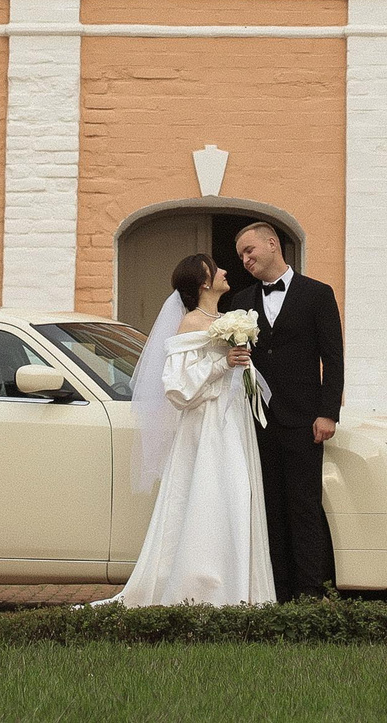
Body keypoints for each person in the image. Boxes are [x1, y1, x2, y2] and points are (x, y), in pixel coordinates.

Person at [113, 253, 275, 607]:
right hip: (205, 426)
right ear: (203, 282)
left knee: (237, 495)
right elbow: (177, 387)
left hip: (234, 422)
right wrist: (222, 363)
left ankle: (240, 588)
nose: (225, 271)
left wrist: (241, 365)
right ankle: (202, 589)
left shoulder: (226, 320)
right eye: (216, 269)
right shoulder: (190, 323)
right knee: (208, 495)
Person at [219, 219, 343, 599]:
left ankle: (310, 594)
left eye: (249, 250)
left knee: (305, 508)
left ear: (272, 244)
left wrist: (328, 412)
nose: (245, 260)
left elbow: (333, 358)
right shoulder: (240, 302)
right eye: (241, 255)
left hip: (305, 421)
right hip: (257, 421)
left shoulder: (318, 294)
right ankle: (278, 593)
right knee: (269, 508)